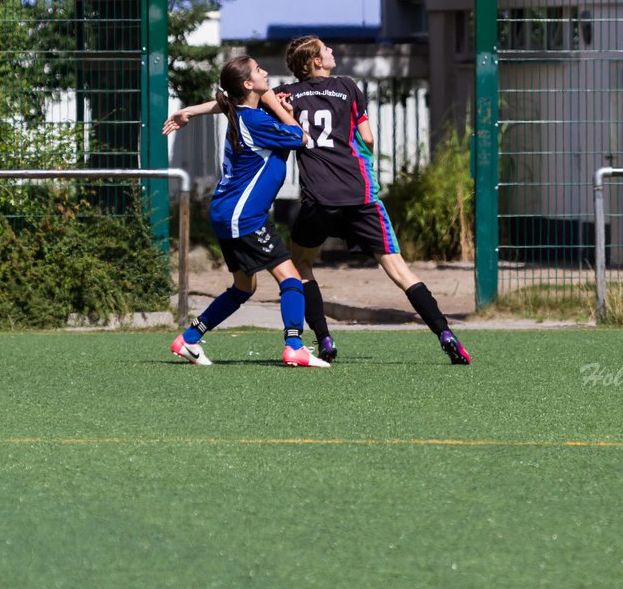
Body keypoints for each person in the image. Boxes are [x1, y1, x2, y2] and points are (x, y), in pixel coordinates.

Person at [165, 37, 470, 365]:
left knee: (272, 276)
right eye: (327, 50)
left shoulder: (284, 97)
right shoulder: (347, 87)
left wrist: (190, 111)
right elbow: (347, 137)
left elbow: (231, 103)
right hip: (354, 194)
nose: (333, 52)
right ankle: (443, 332)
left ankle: (321, 338)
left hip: (311, 199)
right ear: (314, 61)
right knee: (358, 272)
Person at [169, 54, 330, 368]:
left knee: (245, 287)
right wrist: (280, 107)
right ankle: (295, 345)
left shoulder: (244, 113)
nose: (265, 72)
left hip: (227, 213)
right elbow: (301, 137)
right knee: (291, 278)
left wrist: (189, 111)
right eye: (259, 70)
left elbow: (223, 103)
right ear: (248, 84)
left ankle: (188, 339)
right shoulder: (254, 120)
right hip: (244, 216)